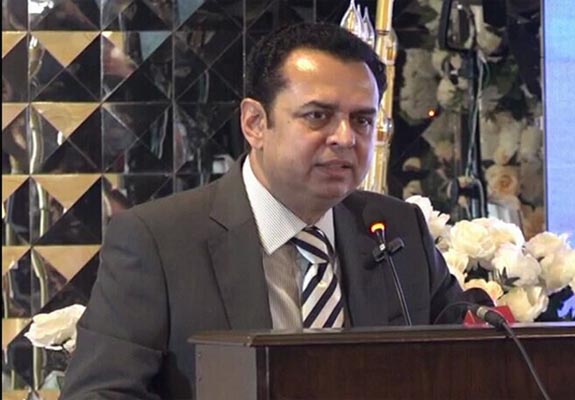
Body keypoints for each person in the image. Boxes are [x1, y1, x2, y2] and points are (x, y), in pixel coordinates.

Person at [60, 22, 463, 399]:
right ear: (254, 123)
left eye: (361, 120)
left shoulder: (396, 229)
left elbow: (463, 363)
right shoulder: (158, 241)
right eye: (318, 116)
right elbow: (99, 393)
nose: (344, 138)